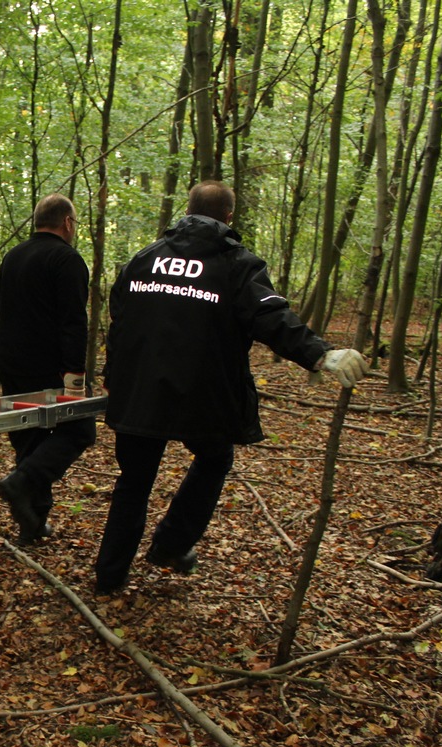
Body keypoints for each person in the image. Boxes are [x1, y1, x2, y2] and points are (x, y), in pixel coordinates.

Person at [94, 180, 367, 593]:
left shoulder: (144, 259)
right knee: (214, 458)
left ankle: (110, 577)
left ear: (187, 210)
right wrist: (320, 354)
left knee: (135, 481)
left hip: (140, 395)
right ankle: (171, 543)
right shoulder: (236, 263)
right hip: (199, 398)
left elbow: (118, 324)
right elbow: (271, 318)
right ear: (229, 217)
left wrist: (114, 378)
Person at [0, 194, 98, 546]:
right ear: (67, 223)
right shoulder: (67, 259)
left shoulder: (13, 256)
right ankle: (20, 485)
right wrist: (74, 377)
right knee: (81, 430)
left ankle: (33, 522)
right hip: (47, 366)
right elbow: (73, 322)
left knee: (30, 438)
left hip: (9, 360)